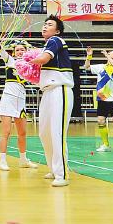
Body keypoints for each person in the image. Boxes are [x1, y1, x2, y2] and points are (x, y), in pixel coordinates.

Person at [0, 31, 36, 170]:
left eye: (22, 50)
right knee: (6, 132)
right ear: (13, 52)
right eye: (17, 50)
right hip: (8, 100)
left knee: (22, 133)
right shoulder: (10, 61)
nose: (20, 52)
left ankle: (23, 160)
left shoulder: (30, 66)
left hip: (21, 101)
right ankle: (2, 161)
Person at [33, 16, 74, 186]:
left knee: (57, 132)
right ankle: (53, 168)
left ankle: (61, 174)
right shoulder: (47, 45)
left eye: (49, 24)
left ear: (57, 31)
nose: (45, 26)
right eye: (44, 24)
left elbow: (42, 59)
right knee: (44, 133)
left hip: (60, 90)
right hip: (47, 91)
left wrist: (25, 60)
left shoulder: (55, 40)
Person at [86, 47, 113, 152]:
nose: (109, 53)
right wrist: (89, 56)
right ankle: (105, 145)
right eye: (108, 53)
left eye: (111, 53)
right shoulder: (101, 67)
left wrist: (107, 56)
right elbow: (87, 67)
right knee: (101, 121)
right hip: (102, 98)